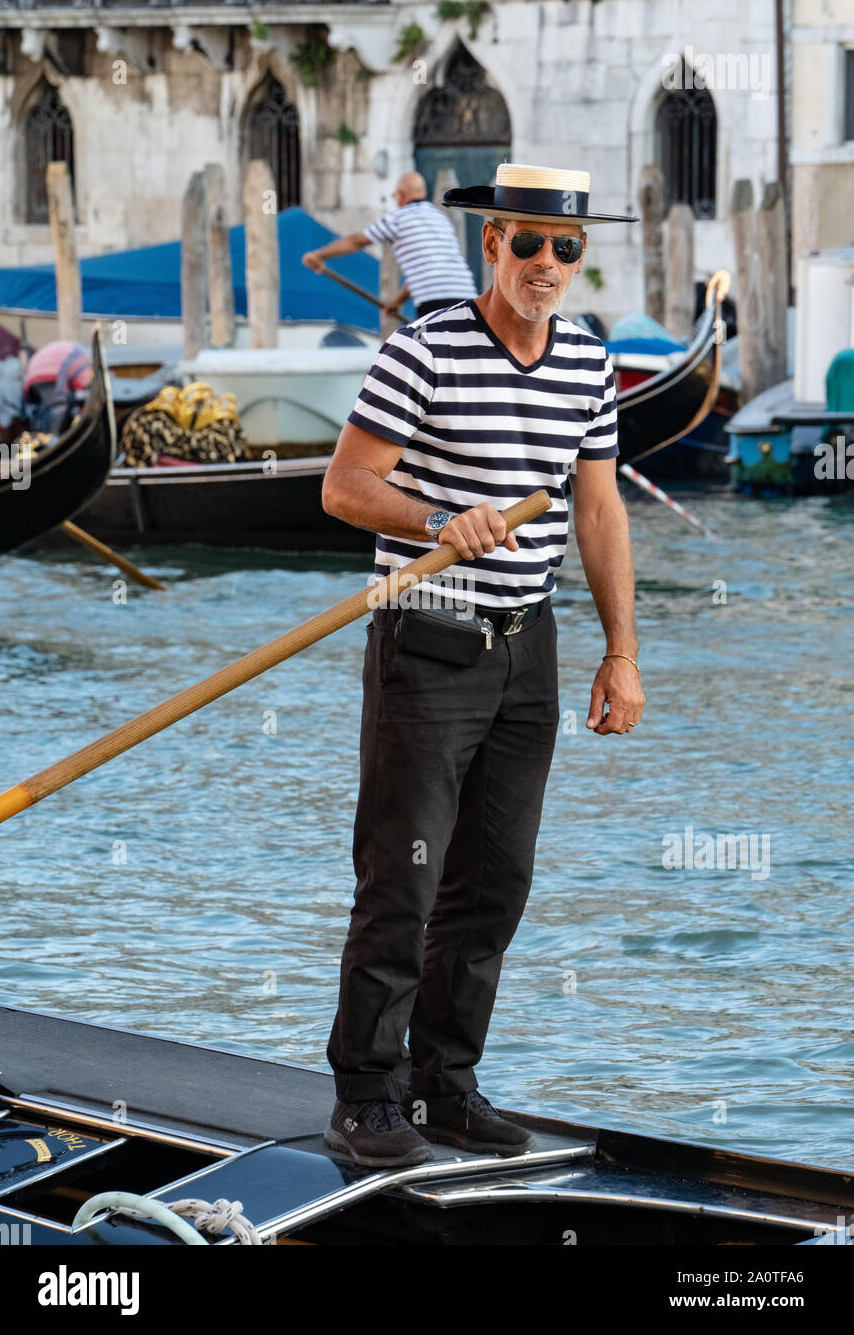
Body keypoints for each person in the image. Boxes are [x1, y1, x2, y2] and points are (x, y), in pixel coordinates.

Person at [320, 163, 645, 1169]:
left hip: (525, 647)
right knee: (403, 876)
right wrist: (431, 519)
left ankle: (443, 1089)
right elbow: (343, 487)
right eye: (529, 243)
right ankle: (366, 1096)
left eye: (567, 248)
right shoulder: (422, 350)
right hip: (425, 634)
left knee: (494, 880)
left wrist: (621, 653)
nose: (547, 263)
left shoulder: (587, 363)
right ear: (491, 243)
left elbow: (595, 509)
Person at [302, 171, 476, 319]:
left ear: (400, 194)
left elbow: (356, 241)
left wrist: (319, 255)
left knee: (431, 356)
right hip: (468, 297)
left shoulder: (398, 219)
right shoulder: (440, 219)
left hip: (433, 301)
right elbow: (427, 272)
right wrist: (397, 302)